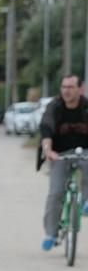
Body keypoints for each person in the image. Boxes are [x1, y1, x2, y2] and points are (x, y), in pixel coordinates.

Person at [39, 75, 88, 251]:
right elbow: (46, 127)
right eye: (64, 87)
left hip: (85, 152)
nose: (66, 91)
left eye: (71, 87)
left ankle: (85, 203)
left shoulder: (85, 106)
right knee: (55, 193)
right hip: (59, 154)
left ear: (80, 89)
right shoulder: (55, 106)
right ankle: (51, 233)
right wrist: (48, 150)